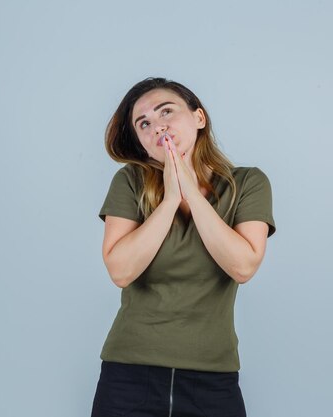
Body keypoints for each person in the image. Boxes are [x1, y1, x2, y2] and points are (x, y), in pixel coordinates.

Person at [90, 77, 276, 417]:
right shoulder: (130, 182)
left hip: (213, 379)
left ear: (199, 118)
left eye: (166, 112)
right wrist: (171, 199)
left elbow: (242, 266)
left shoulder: (249, 183)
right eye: (143, 124)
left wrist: (191, 191)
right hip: (128, 376)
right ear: (143, 144)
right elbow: (120, 270)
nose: (157, 126)